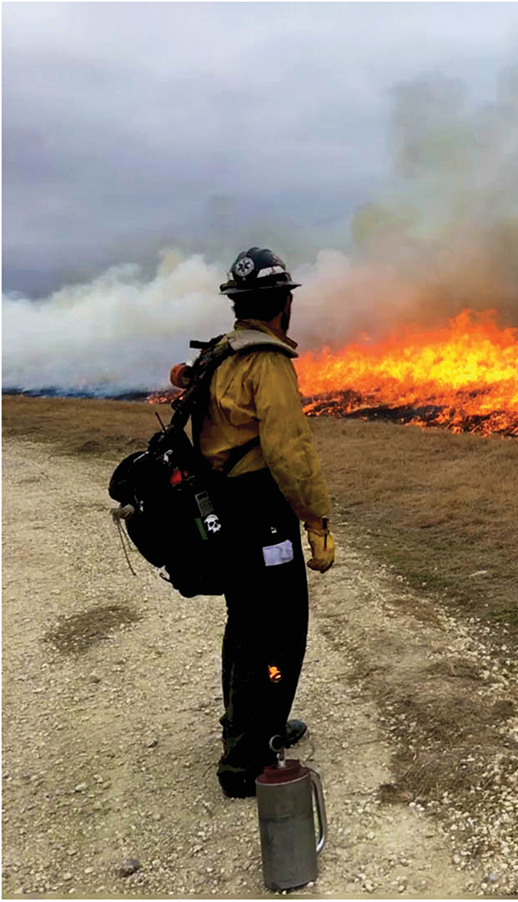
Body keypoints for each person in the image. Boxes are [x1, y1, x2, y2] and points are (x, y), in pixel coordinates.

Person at [169, 247, 336, 798]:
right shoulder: (266, 362)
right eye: (288, 299)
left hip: (225, 507)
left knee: (246, 625)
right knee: (278, 632)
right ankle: (247, 760)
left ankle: (252, 726)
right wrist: (316, 522)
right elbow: (291, 453)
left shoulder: (223, 352)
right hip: (261, 514)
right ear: (282, 304)